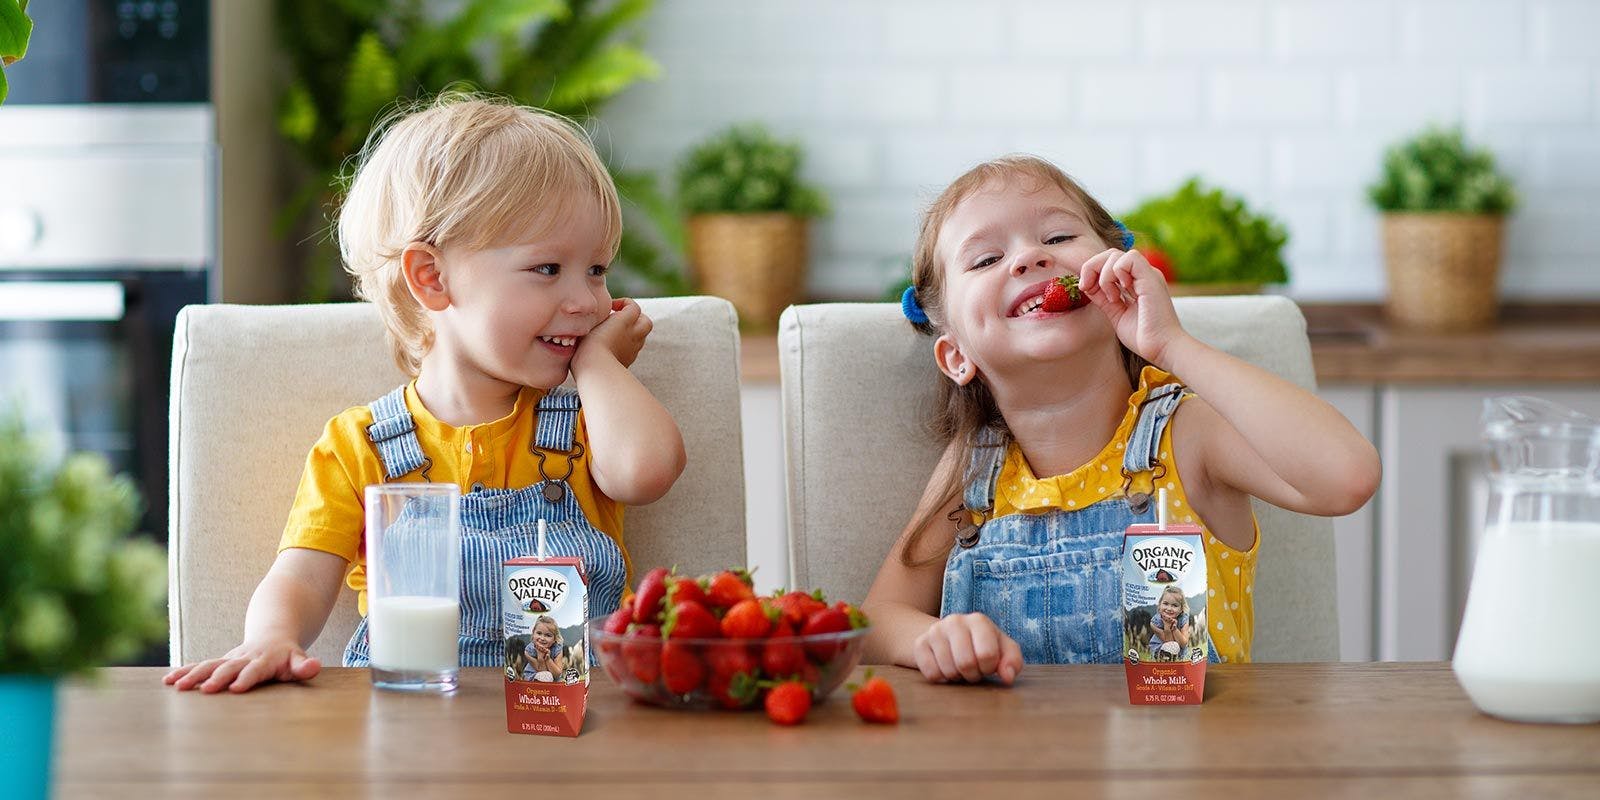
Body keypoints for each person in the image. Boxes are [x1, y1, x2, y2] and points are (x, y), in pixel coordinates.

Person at [165, 93, 686, 693]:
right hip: (412, 725)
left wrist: (596, 363)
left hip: (556, 727)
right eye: (549, 269)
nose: (587, 301)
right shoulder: (360, 445)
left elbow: (647, 471)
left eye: (596, 270)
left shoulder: (589, 420)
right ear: (432, 278)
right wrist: (271, 638)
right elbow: (302, 577)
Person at [861, 155, 1379, 684]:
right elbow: (876, 622)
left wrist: (1172, 345)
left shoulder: (1186, 436)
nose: (1030, 258)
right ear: (955, 356)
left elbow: (1348, 476)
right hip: (1017, 761)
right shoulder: (974, 473)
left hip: (1190, 760)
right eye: (986, 258)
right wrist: (936, 640)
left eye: (1059, 237)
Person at [1148, 586, 1192, 661]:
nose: (1169, 609)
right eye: (1165, 604)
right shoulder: (1155, 622)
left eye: (1174, 605)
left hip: (1179, 652)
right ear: (1160, 604)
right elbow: (1169, 642)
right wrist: (1167, 625)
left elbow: (1183, 643)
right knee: (1173, 646)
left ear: (1181, 609)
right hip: (1160, 650)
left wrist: (1175, 629)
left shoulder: (1183, 619)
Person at [522, 616, 567, 682]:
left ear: (555, 639)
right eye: (539, 633)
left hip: (553, 678)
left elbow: (557, 674)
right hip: (534, 676)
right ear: (533, 633)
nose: (542, 638)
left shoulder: (557, 649)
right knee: (546, 676)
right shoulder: (529, 651)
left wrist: (548, 659)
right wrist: (540, 657)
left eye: (548, 635)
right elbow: (543, 671)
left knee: (562, 681)